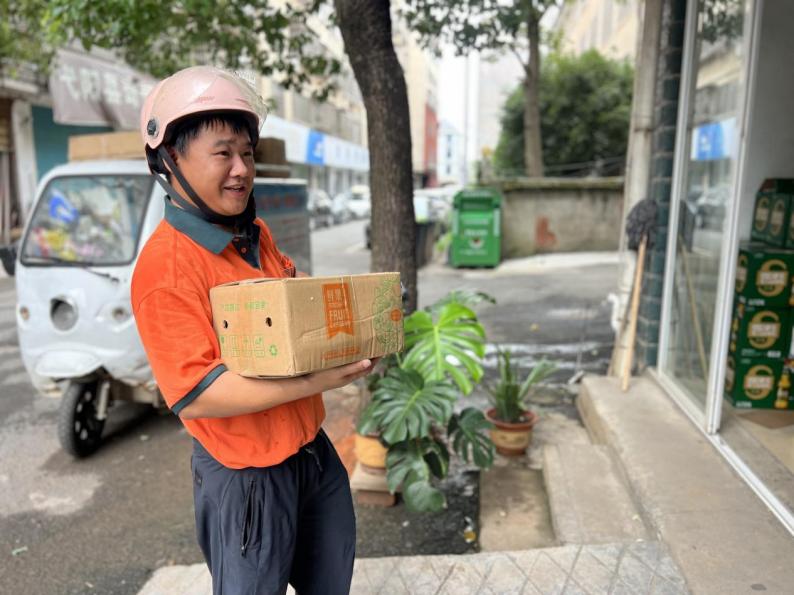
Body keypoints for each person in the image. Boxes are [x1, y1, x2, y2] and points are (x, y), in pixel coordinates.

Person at [131, 66, 370, 595]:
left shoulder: (253, 232)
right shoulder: (166, 268)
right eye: (222, 153)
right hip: (247, 479)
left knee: (331, 583)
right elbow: (198, 393)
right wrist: (320, 380)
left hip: (311, 455)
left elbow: (289, 303)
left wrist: (348, 326)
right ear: (169, 159)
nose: (241, 169)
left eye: (247, 153)